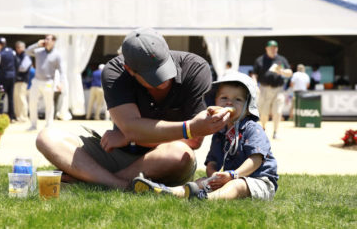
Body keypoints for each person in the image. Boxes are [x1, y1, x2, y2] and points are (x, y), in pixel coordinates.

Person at [35, 27, 230, 190]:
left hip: (164, 157)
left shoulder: (195, 68)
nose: (163, 81)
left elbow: (194, 140)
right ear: (129, 69)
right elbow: (132, 126)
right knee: (47, 137)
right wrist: (132, 133)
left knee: (181, 154)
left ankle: (96, 180)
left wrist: (131, 135)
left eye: (164, 69)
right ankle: (120, 184)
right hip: (118, 152)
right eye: (153, 76)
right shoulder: (115, 71)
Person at [132, 72, 278, 201]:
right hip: (231, 177)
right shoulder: (220, 132)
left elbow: (256, 159)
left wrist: (234, 175)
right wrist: (214, 176)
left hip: (259, 181)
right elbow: (212, 162)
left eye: (237, 99)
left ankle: (204, 198)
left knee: (237, 185)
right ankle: (168, 191)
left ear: (248, 108)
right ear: (215, 103)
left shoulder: (253, 128)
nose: (229, 102)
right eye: (224, 97)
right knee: (203, 181)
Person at [252, 40, 292, 139]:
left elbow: (290, 72)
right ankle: (263, 128)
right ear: (267, 48)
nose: (273, 49)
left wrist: (282, 72)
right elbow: (254, 74)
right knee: (264, 113)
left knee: (278, 112)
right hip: (264, 89)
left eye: (275, 47)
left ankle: (275, 132)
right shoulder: (260, 60)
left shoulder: (281, 59)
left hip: (278, 89)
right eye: (271, 47)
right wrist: (255, 85)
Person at [26, 34, 64, 130]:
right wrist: (37, 44)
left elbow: (61, 70)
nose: (46, 40)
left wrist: (60, 82)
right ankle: (33, 125)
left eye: (48, 39)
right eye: (45, 38)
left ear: (53, 41)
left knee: (49, 104)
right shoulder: (39, 51)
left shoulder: (57, 55)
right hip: (36, 81)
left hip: (48, 82)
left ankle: (49, 124)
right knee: (32, 103)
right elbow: (27, 51)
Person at [0, 37, 17, 121]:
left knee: (1, 97)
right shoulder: (13, 52)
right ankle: (11, 117)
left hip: (3, 77)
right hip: (12, 76)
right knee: (11, 98)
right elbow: (16, 64)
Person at [14, 41, 32, 122]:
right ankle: (18, 116)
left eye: (20, 47)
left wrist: (14, 68)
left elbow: (23, 68)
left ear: (24, 47)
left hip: (23, 80)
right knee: (16, 98)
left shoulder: (26, 56)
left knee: (21, 98)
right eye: (17, 47)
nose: (18, 49)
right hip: (16, 80)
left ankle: (24, 116)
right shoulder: (17, 56)